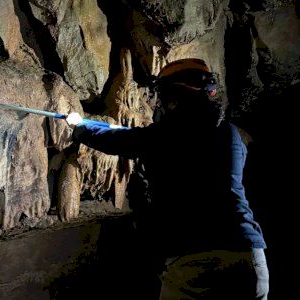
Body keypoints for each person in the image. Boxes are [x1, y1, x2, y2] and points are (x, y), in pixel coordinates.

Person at [65, 58, 269, 300]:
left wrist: (80, 126)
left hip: (196, 259)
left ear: (175, 97)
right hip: (249, 255)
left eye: (164, 98)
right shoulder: (229, 133)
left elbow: (120, 140)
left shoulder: (168, 134)